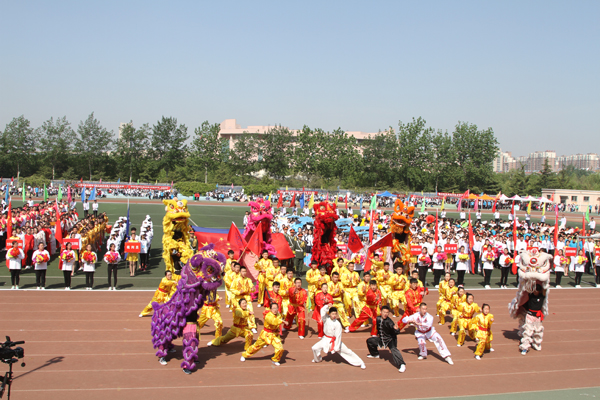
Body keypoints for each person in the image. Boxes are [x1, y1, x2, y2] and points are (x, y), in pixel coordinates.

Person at [312, 305, 365, 369]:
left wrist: (336, 347)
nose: (334, 315)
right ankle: (317, 359)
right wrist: (327, 306)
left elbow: (338, 336)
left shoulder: (337, 324)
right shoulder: (326, 319)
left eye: (335, 314)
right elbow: (322, 311)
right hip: (325, 339)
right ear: (329, 314)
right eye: (332, 314)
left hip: (334, 340)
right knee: (314, 348)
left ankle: (360, 362)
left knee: (347, 351)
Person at [366, 305, 406, 373]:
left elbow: (395, 332)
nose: (385, 314)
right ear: (381, 312)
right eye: (384, 312)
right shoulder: (378, 319)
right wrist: (377, 335)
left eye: (387, 312)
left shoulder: (389, 322)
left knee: (394, 350)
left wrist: (396, 329)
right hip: (382, 338)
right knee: (370, 341)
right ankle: (375, 354)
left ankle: (402, 364)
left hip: (390, 339)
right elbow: (378, 328)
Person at [520, 284, 546, 355]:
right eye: (534, 290)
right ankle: (525, 347)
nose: (535, 292)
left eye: (537, 290)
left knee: (538, 331)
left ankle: (536, 344)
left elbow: (545, 289)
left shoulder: (542, 297)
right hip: (530, 316)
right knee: (528, 331)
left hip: (538, 317)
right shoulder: (530, 296)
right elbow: (526, 289)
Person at [231, 266, 257, 333]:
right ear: (240, 272)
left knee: (250, 311)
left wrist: (253, 289)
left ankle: (252, 326)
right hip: (238, 299)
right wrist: (239, 292)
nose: (244, 273)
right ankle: (238, 326)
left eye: (245, 271)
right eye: (243, 271)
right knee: (238, 313)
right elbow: (232, 289)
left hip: (247, 298)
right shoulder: (235, 280)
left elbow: (252, 289)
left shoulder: (248, 280)